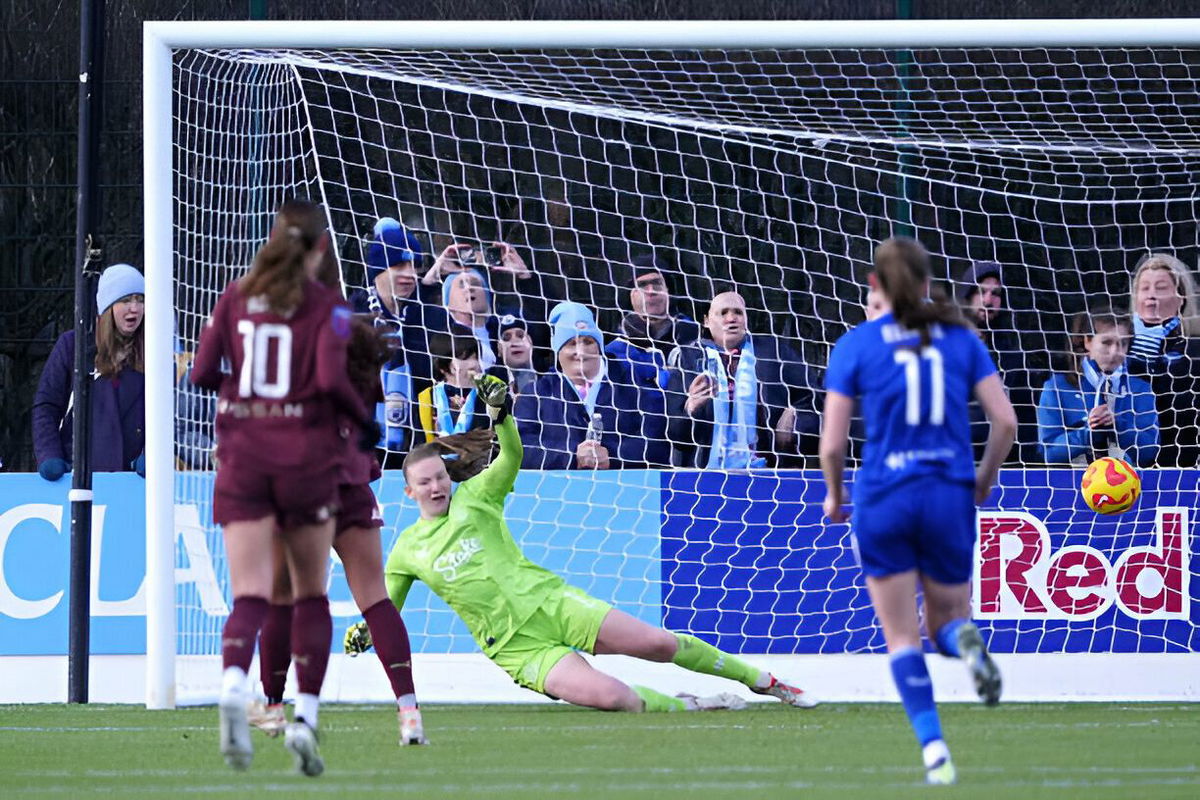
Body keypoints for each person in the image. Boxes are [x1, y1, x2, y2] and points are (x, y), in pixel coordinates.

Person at [363, 373, 817, 713]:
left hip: (553, 602)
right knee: (620, 700)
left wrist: (501, 414)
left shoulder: (477, 497)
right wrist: (363, 630)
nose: (436, 487)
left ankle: (766, 681)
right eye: (425, 483)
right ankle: (694, 705)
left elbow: (513, 455)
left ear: (448, 476)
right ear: (409, 491)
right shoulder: (407, 549)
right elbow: (386, 606)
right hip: (517, 650)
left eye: (440, 477)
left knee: (658, 644)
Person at [820, 237, 1015, 786]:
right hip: (947, 494)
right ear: (930, 284)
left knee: (902, 637)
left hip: (884, 495)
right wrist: (983, 478)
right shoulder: (962, 338)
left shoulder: (856, 345)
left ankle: (935, 751)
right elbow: (1005, 422)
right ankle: (969, 646)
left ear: (875, 287)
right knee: (948, 620)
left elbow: (832, 446)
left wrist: (835, 495)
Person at [190, 199, 374, 777]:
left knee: (250, 595)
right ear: (320, 248)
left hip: (243, 457)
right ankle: (307, 718)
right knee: (310, 595)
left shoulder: (235, 295)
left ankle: (231, 685)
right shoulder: (328, 306)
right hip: (303, 459)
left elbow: (199, 375)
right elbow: (329, 378)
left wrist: (246, 394)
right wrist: (365, 422)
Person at [249, 317, 426, 747]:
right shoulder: (363, 380)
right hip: (351, 490)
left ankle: (273, 708)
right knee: (375, 598)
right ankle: (409, 713)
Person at [666, 291, 821, 468]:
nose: (732, 318)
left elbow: (814, 400)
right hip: (705, 476)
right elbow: (675, 437)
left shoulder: (774, 353)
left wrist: (795, 419)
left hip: (770, 472)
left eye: (738, 312)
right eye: (723, 313)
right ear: (706, 321)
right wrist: (690, 409)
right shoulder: (686, 360)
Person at [515, 302, 670, 469]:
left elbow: (658, 441)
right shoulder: (536, 394)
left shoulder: (636, 383)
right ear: (558, 350)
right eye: (571, 343)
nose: (581, 352)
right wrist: (573, 456)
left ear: (599, 346)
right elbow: (520, 449)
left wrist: (611, 456)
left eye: (588, 342)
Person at [33, 263, 146, 480]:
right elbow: (47, 405)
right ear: (106, 307)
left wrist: (153, 455)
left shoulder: (153, 350)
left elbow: (172, 413)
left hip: (133, 483)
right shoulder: (72, 345)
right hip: (79, 477)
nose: (135, 308)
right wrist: (49, 456)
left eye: (140, 300)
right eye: (125, 300)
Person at [349, 217, 447, 457]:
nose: (410, 274)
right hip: (361, 447)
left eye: (415, 266)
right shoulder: (351, 315)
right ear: (378, 269)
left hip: (420, 448)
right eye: (399, 266)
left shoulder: (431, 318)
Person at [1037, 308, 1159, 467]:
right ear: (1087, 341)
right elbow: (1050, 453)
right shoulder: (1056, 387)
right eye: (1107, 342)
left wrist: (1118, 425)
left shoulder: (1140, 389)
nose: (1115, 351)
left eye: (1123, 343)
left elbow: (1150, 452)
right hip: (1070, 484)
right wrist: (1089, 432)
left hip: (1127, 484)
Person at [955, 260, 1039, 465]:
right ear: (966, 295)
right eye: (980, 291)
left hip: (1003, 470)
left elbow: (1026, 422)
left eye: (996, 294)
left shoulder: (1013, 357)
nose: (988, 300)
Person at [1125, 253, 1200, 467]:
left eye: (1160, 288)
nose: (1151, 296)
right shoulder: (1115, 342)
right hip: (1124, 462)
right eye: (1144, 288)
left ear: (1181, 297)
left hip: (1181, 460)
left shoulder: (1193, 348)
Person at [605, 253, 701, 390]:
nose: (651, 291)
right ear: (631, 294)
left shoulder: (694, 338)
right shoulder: (614, 352)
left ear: (668, 290)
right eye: (642, 285)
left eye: (657, 283)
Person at [416, 335, 493, 442]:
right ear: (442, 366)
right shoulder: (425, 398)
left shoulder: (491, 397)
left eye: (476, 357)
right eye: (464, 358)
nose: (474, 364)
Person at [497, 312, 539, 395]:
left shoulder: (553, 381)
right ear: (499, 349)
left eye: (520, 335)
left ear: (530, 342)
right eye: (506, 338)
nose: (515, 342)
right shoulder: (489, 389)